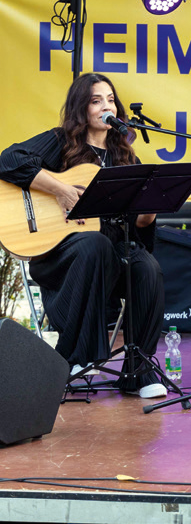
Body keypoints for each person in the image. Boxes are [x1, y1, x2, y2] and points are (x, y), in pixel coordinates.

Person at [0, 73, 167, 399]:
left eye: (110, 99)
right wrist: (60, 189)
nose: (107, 106)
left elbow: (135, 230)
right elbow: (8, 160)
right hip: (60, 257)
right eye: (96, 100)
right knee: (95, 243)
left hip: (107, 258)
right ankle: (76, 355)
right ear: (81, 108)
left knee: (146, 267)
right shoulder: (60, 141)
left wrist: (147, 216)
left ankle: (139, 369)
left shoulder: (125, 158)